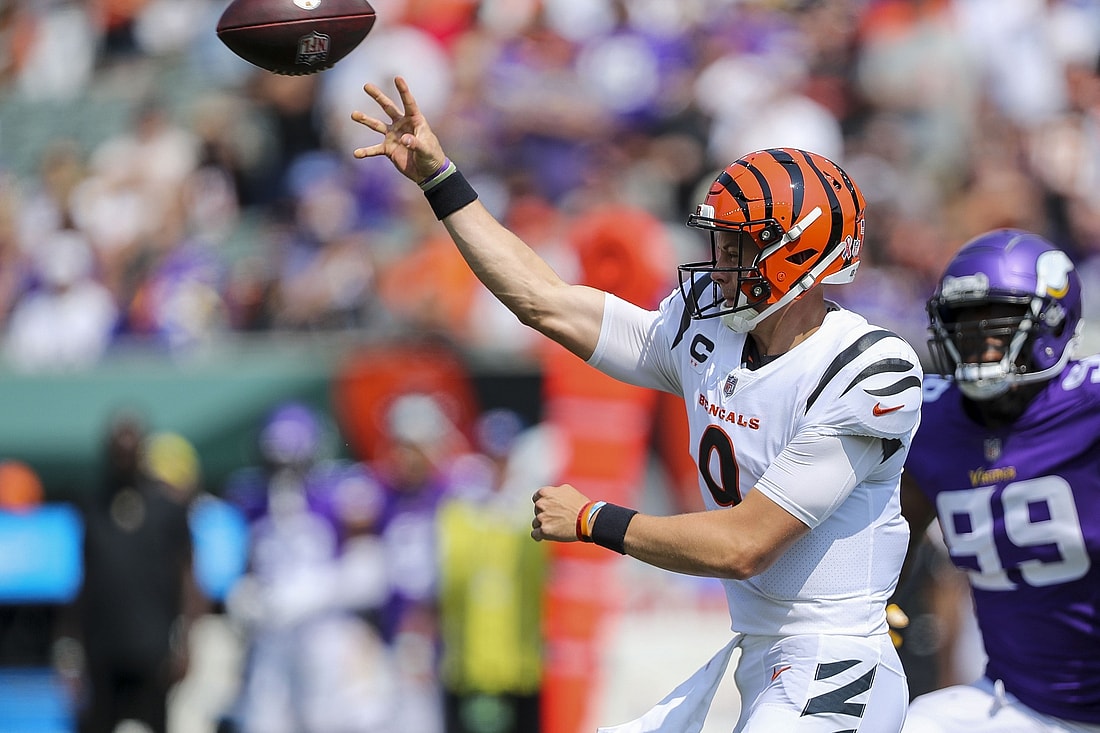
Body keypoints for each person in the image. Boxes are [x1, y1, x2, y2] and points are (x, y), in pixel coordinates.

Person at [352, 77, 924, 732]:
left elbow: (744, 545)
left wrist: (595, 519)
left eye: (739, 245)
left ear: (801, 251)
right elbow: (546, 301)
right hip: (760, 652)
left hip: (835, 657)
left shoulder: (868, 369)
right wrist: (440, 181)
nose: (719, 262)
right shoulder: (707, 330)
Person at [899, 228, 1100, 732]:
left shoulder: (1089, 407)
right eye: (963, 322)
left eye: (998, 321)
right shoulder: (929, 421)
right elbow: (885, 551)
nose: (977, 339)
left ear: (1052, 323)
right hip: (1021, 703)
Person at [64, 410, 202, 733]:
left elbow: (188, 579)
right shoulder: (92, 508)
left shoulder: (167, 510)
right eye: (118, 449)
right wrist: (69, 647)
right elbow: (82, 579)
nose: (124, 457)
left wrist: (184, 641)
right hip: (102, 650)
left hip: (153, 649)